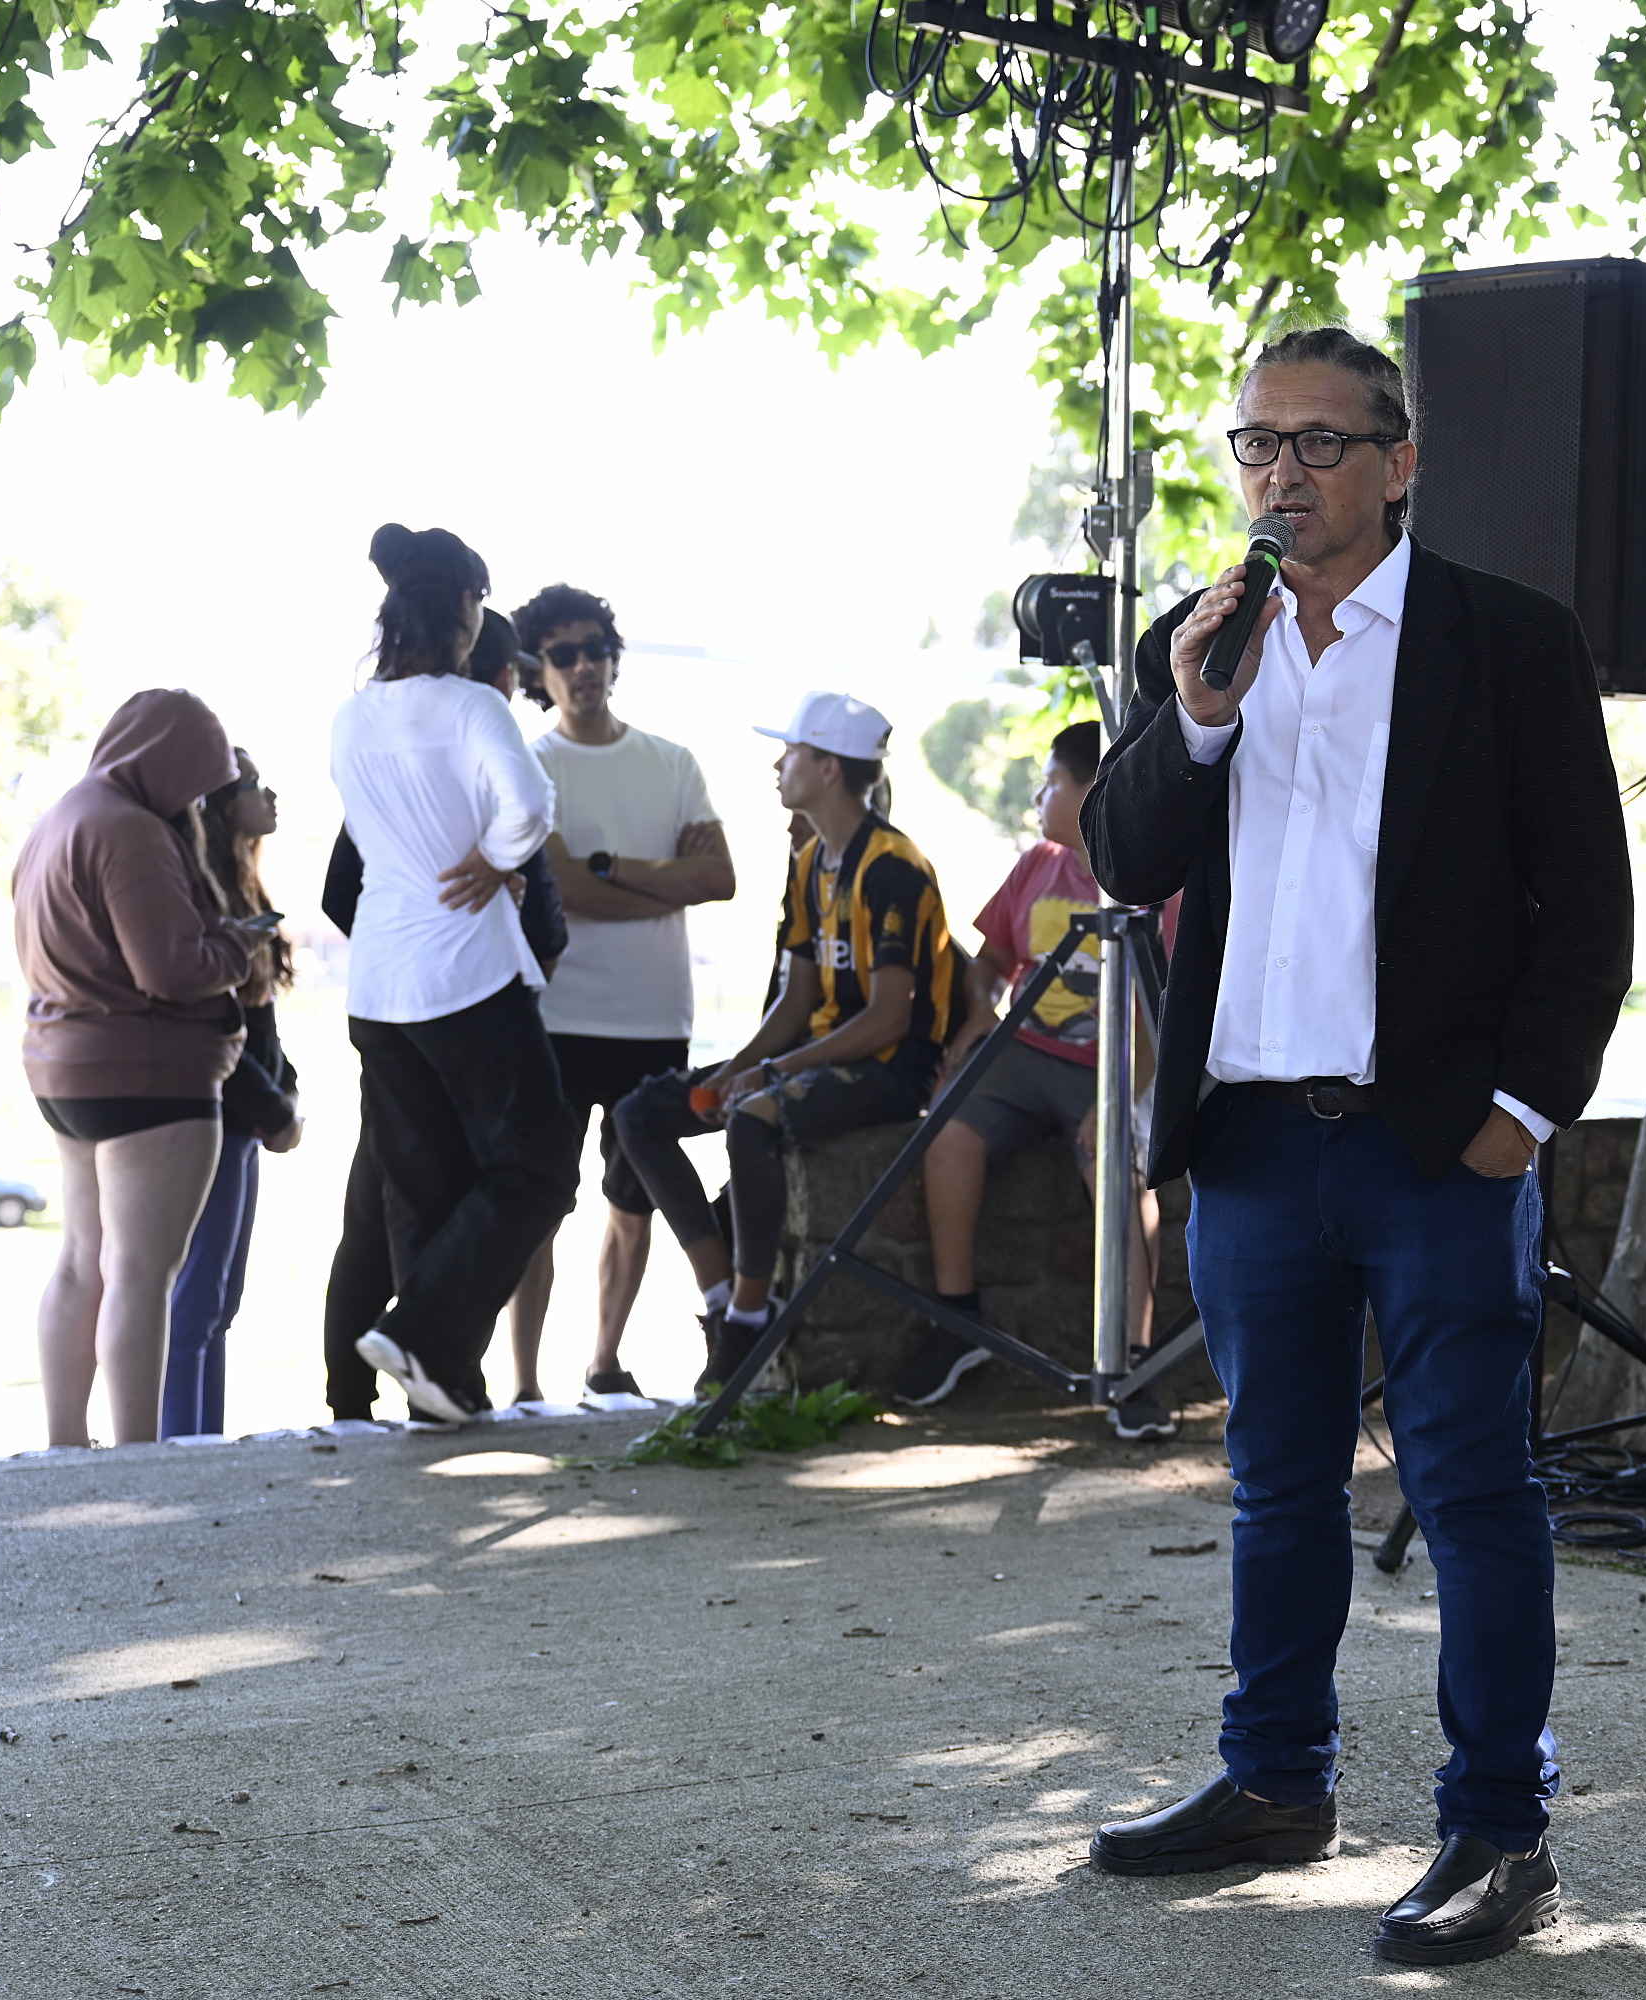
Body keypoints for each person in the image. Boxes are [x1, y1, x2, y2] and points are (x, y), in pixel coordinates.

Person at [1078, 326, 1632, 1966]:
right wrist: (1188, 723)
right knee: (1275, 1490)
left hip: (1432, 1147)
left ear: (1400, 463)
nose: (1285, 475)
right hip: (1253, 1139)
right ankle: (1275, 1784)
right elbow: (1122, 856)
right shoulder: (1207, 645)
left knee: (1471, 1492)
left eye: (1322, 446)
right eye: (1260, 445)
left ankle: (1498, 1830)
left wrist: (1519, 1118)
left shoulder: (1504, 640)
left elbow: (1585, 905)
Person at [613, 692, 956, 1384]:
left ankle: (746, 1317)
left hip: (889, 1069)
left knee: (752, 1117)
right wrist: (740, 1066)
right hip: (820, 1052)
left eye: (791, 752)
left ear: (828, 769)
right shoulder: (811, 863)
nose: (778, 764)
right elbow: (798, 998)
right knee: (639, 1115)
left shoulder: (892, 866)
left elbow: (890, 1020)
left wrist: (771, 1075)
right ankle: (720, 1294)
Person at [332, 523, 581, 1427]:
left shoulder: (351, 715)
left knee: (422, 1188)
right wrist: (498, 855)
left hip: (378, 982)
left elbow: (366, 842)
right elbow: (530, 805)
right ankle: (427, 1336)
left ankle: (445, 1387)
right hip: (465, 971)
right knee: (541, 1166)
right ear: (466, 611)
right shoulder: (473, 706)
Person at [892, 721, 1171, 1437]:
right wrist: (979, 1008)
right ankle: (958, 1316)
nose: (1039, 795)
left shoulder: (1152, 880)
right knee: (947, 1133)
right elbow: (990, 958)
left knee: (1118, 1175)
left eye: (1051, 782)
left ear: (1090, 791)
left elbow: (1159, 1004)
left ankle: (1134, 1359)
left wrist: (1120, 1098)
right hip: (1027, 1050)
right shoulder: (1036, 866)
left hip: (1114, 1059)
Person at [502, 583, 733, 1412]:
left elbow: (719, 878)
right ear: (539, 670)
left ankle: (604, 1364)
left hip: (653, 1016)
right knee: (538, 1202)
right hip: (559, 1017)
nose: (583, 665)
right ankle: (525, 1383)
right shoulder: (530, 765)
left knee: (631, 1201)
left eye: (595, 647)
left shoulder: (671, 762)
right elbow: (557, 891)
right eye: (562, 654)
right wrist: (659, 884)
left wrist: (603, 870)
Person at [12, 689, 261, 1449]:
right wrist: (236, 948)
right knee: (142, 1273)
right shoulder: (132, 831)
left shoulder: (57, 821)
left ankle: (64, 1442)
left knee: (82, 1262)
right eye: (194, 777)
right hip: (149, 1075)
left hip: (63, 1068)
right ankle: (135, 1455)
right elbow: (169, 970)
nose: (195, 799)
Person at [157, 748, 304, 1439]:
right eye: (252, 785)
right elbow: (219, 1023)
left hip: (248, 1122)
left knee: (221, 1302)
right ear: (218, 804)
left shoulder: (247, 885)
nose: (270, 795)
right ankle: (180, 1449)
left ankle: (204, 1443)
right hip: (217, 1115)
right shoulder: (203, 891)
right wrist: (277, 1110)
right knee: (195, 1303)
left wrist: (289, 1091)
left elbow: (263, 1024)